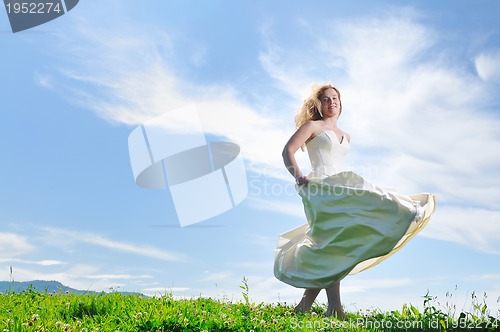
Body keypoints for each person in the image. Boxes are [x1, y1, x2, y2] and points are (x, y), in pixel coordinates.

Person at [274, 83, 435, 319]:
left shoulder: (346, 136)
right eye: (327, 99)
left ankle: (310, 307)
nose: (332, 103)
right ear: (319, 105)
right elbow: (288, 150)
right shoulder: (312, 126)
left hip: (340, 186)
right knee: (331, 242)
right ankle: (334, 308)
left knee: (336, 244)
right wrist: (299, 177)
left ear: (341, 102)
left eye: (335, 98)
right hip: (319, 187)